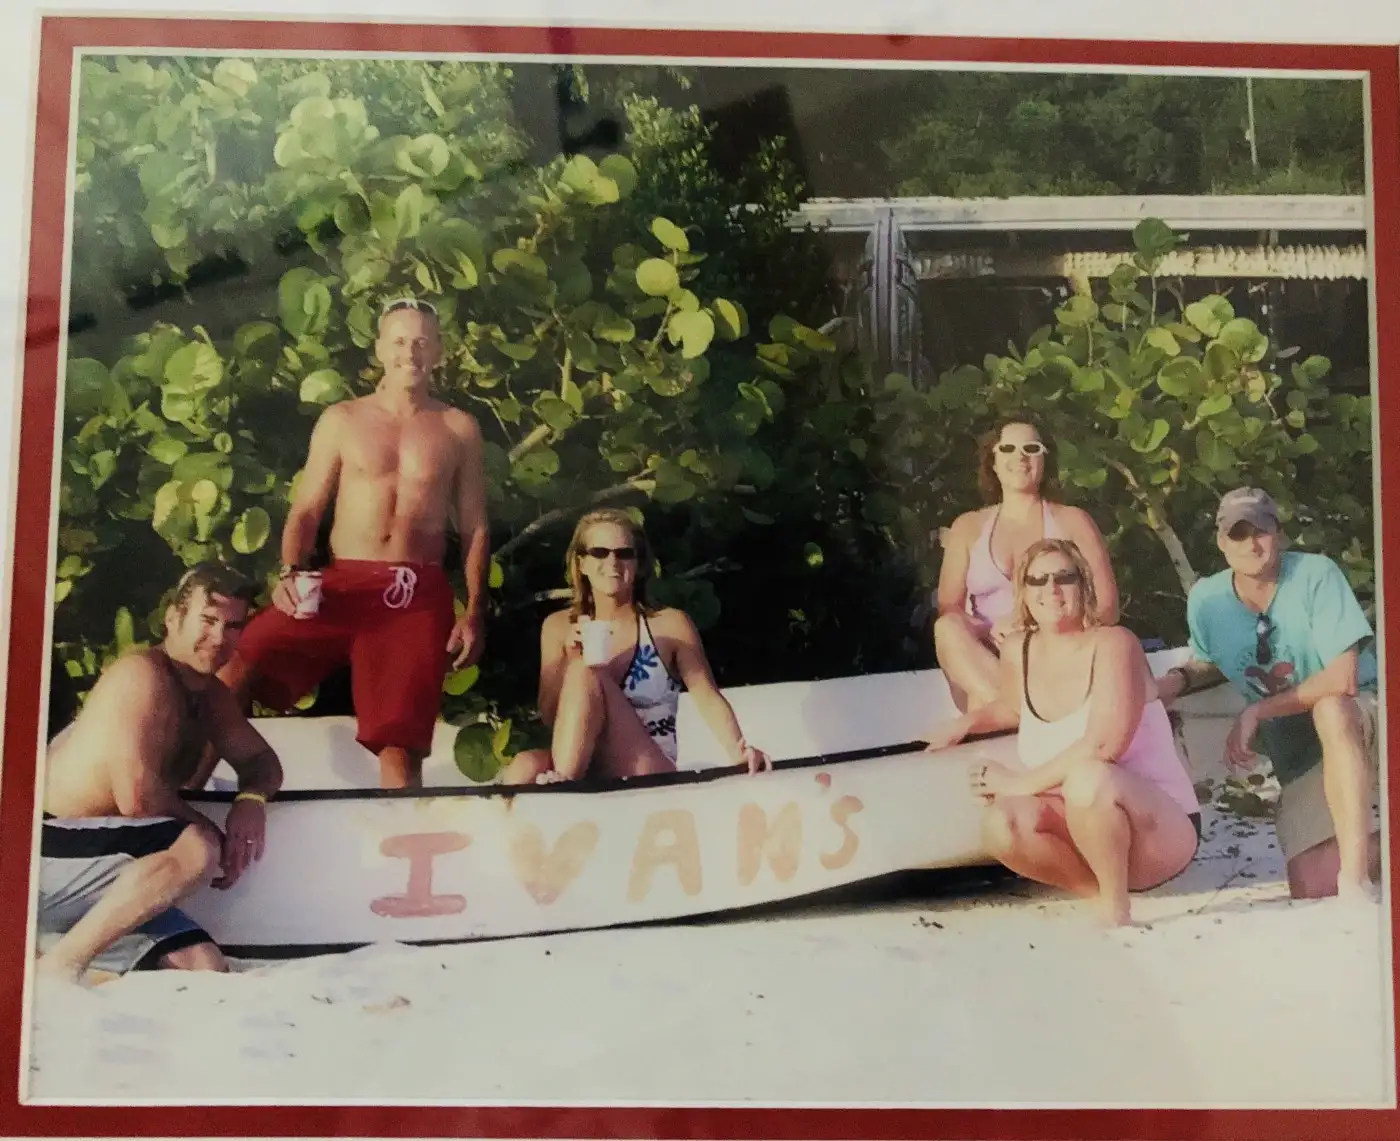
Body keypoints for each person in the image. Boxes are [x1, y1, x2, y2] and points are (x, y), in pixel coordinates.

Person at [218, 297, 491, 789]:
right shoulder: (342, 418)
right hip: (339, 582)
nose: (412, 352)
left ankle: (401, 851)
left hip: (414, 591)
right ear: (381, 349)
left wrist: (474, 610)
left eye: (423, 342)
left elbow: (475, 527)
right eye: (401, 341)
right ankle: (194, 795)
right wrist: (290, 571)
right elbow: (306, 510)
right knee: (238, 667)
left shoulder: (458, 427)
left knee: (400, 745)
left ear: (440, 353)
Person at [924, 538, 1200, 928]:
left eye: (1063, 578)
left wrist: (1017, 783)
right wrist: (966, 724)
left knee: (1090, 777)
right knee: (1001, 825)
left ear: (1083, 585)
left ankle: (1116, 906)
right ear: (1023, 592)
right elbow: (1019, 708)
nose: (1050, 590)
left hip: (1159, 831)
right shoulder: (1019, 648)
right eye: (1037, 580)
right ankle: (1097, 893)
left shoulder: (1114, 643)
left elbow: (1104, 744)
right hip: (1082, 826)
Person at [37, 563, 283, 985]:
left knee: (203, 966)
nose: (219, 638)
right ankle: (58, 968)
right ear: (174, 617)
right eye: (207, 621)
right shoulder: (142, 675)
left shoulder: (211, 697)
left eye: (233, 626)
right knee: (197, 847)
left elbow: (262, 762)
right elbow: (139, 799)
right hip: (42, 853)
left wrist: (251, 800)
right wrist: (217, 836)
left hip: (104, 870)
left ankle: (51, 947)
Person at [1157, 487, 1381, 903]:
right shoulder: (1206, 600)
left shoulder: (1317, 573)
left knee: (1331, 709)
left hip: (1365, 711)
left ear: (1278, 532)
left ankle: (1357, 884)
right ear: (1223, 544)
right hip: (1298, 746)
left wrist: (1257, 711)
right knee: (1309, 884)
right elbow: (1208, 662)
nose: (1252, 543)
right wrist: (1167, 685)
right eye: (1238, 534)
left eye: (1261, 530)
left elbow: (1343, 678)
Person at [500, 509, 771, 784]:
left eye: (624, 553)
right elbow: (549, 715)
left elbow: (707, 695)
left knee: (587, 671)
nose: (612, 562)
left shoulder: (669, 624)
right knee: (524, 765)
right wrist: (569, 656)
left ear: (639, 564)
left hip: (646, 763)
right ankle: (506, 821)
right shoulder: (558, 626)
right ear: (581, 562)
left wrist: (739, 749)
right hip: (586, 757)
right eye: (599, 552)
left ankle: (565, 786)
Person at [934, 417, 1118, 712]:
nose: (1019, 457)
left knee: (983, 701)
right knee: (947, 628)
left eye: (1031, 448)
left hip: (1052, 653)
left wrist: (1033, 624)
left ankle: (1009, 712)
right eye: (1007, 448)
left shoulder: (1072, 521)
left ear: (1045, 460)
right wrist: (988, 629)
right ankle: (1020, 711)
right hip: (990, 662)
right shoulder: (967, 527)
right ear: (992, 462)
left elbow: (1107, 608)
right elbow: (949, 607)